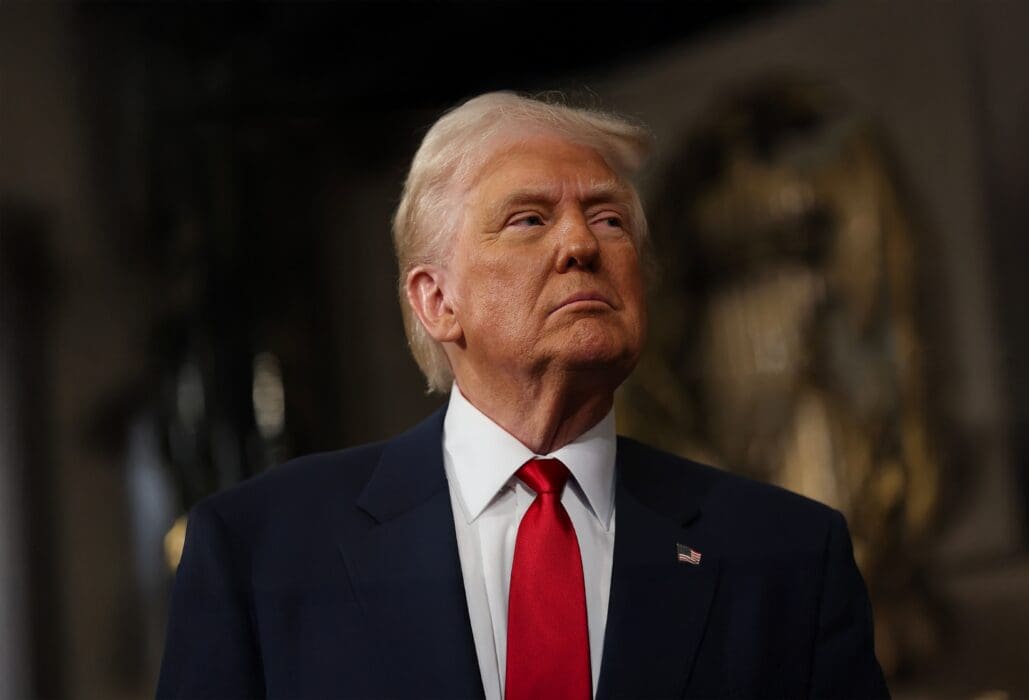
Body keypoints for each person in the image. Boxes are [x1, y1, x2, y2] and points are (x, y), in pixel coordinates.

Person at [157, 92, 889, 699]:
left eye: (609, 219)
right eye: (529, 219)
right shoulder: (259, 554)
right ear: (437, 300)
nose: (582, 245)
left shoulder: (787, 554)